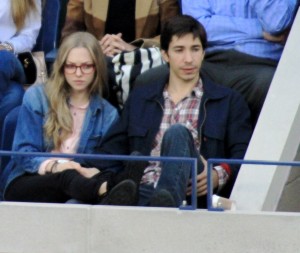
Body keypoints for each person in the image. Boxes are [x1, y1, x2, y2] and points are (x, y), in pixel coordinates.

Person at [84, 15, 253, 208]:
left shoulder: (228, 101)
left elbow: (243, 156)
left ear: (204, 53)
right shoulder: (141, 98)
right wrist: (77, 169)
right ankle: (151, 203)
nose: (188, 59)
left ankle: (164, 202)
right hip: (141, 187)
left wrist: (218, 175)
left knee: (177, 133)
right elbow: (113, 150)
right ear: (165, 55)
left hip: (191, 193)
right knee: (131, 169)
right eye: (179, 50)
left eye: (195, 49)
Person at [1, 32, 137, 205]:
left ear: (97, 67)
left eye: (86, 66)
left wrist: (91, 170)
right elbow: (23, 153)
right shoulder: (37, 97)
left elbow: (106, 162)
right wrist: (57, 166)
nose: (78, 73)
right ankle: (104, 191)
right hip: (29, 179)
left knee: (75, 198)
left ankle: (107, 187)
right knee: (66, 177)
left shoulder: (108, 113)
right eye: (71, 66)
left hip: (79, 184)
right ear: (62, 67)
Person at [182, 0, 298, 126]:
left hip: (258, 65)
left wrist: (222, 26)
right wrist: (258, 30)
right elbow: (196, 29)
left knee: (274, 87)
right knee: (163, 77)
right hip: (209, 61)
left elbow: (276, 24)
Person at [61, 0, 180, 109]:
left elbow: (173, 36)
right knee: (100, 67)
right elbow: (69, 35)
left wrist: (134, 47)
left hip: (141, 62)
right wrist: (95, 46)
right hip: (98, 60)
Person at [0, 0, 42, 145]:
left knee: (2, 60)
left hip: (11, 57)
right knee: (14, 96)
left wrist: (6, 46)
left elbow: (28, 37)